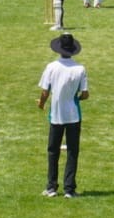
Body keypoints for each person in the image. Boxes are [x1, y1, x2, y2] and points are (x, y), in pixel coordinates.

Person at [37, 33, 89, 198]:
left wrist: (41, 103)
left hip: (56, 114)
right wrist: (77, 98)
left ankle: (51, 187)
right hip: (73, 115)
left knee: (53, 150)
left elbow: (45, 91)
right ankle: (69, 189)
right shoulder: (80, 69)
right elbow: (85, 94)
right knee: (73, 151)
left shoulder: (51, 67)